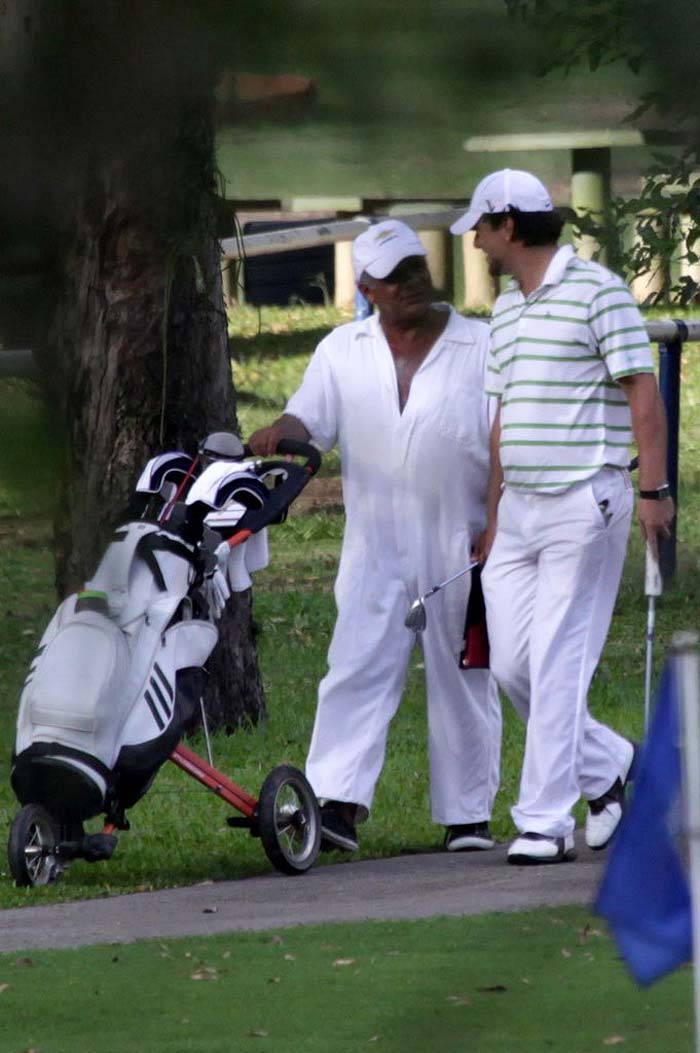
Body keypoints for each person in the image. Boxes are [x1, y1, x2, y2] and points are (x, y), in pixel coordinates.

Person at [249, 219, 502, 854]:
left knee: (463, 670)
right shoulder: (342, 350)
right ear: (366, 287)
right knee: (357, 664)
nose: (410, 284)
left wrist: (499, 522)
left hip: (460, 536)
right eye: (393, 277)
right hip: (375, 539)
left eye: (415, 268)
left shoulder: (483, 345)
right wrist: (281, 429)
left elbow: (506, 442)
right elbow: (309, 417)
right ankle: (334, 805)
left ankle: (468, 815)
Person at [450, 169, 675, 865]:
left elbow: (643, 391)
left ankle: (545, 822)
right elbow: (502, 420)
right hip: (518, 513)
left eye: (482, 229)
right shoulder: (510, 309)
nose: (478, 242)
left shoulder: (599, 292)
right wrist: (492, 517)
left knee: (554, 663)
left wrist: (654, 492)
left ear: (508, 225)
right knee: (514, 665)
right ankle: (607, 767)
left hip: (586, 500)